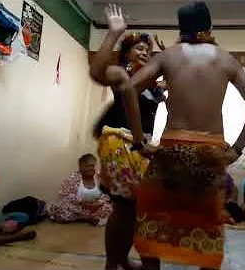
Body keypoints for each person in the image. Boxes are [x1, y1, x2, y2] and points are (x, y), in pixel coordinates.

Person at [118, 2, 245, 269]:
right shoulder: (225, 58)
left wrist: (140, 141)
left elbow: (129, 89)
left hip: (172, 146)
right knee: (208, 223)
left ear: (180, 28)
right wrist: (237, 149)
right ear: (209, 26)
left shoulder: (168, 56)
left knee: (152, 216)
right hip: (209, 151)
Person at [89, 5, 165, 270]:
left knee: (132, 209)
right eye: (139, 48)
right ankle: (120, 262)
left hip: (140, 146)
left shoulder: (152, 84)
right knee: (126, 208)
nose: (144, 51)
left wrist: (167, 58)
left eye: (148, 49)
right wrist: (113, 34)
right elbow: (97, 72)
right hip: (121, 142)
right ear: (126, 54)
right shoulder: (122, 73)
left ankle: (120, 260)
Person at [48, 154, 112, 226]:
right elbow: (64, 194)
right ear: (81, 167)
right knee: (62, 208)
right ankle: (86, 218)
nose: (90, 168)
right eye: (87, 166)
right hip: (78, 207)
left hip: (95, 206)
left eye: (92, 166)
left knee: (109, 207)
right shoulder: (74, 177)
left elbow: (106, 194)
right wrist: (83, 203)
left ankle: (91, 217)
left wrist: (97, 203)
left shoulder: (98, 177)